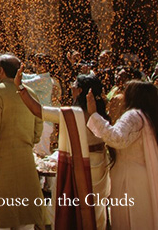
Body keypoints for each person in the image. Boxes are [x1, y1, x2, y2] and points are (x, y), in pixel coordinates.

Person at [14, 68, 109, 229]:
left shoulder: (71, 114)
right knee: (96, 211)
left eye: (74, 84)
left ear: (79, 90)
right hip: (100, 168)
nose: (70, 86)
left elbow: (38, 110)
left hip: (78, 169)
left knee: (67, 208)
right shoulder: (102, 115)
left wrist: (20, 87)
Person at [0, 54, 48, 230]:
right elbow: (38, 125)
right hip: (25, 157)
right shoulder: (29, 93)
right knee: (25, 212)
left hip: (2, 158)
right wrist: (27, 142)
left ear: (0, 70)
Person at [86, 80, 158, 229]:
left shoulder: (133, 116)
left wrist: (93, 114)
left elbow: (116, 139)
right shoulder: (149, 117)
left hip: (130, 179)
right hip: (142, 176)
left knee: (131, 221)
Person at [21, 54, 59, 155]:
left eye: (37, 64)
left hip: (44, 122)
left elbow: (22, 82)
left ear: (45, 66)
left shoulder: (44, 80)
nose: (34, 66)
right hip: (40, 120)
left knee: (42, 153)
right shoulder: (40, 77)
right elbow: (25, 76)